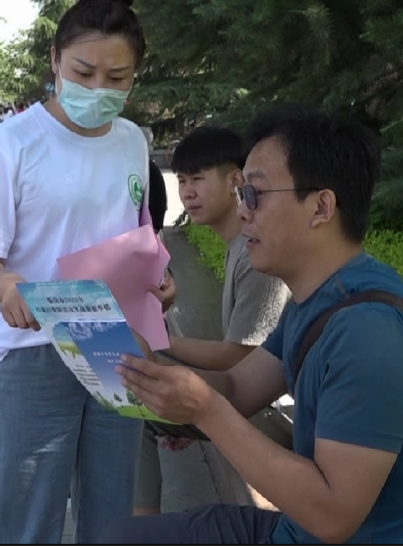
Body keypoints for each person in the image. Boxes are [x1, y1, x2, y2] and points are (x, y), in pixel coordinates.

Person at [104, 105, 403, 544]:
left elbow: (333, 518)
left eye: (254, 194)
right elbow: (239, 386)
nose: (242, 212)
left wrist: (205, 409)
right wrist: (150, 366)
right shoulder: (318, 299)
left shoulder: (370, 335)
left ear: (320, 207)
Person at [0, 0, 177, 544]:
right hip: (34, 348)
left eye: (117, 77)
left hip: (114, 344)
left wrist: (160, 276)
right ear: (55, 60)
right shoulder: (12, 143)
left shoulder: (132, 141)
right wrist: (9, 288)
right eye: (83, 72)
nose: (99, 88)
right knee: (25, 521)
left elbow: (137, 235)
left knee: (112, 517)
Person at [134, 125, 291, 517]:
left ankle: (141, 526)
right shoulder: (239, 247)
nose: (187, 192)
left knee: (136, 409)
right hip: (253, 397)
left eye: (198, 179)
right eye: (181, 180)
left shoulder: (257, 256)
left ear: (235, 181)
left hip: (271, 413)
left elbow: (240, 358)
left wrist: (160, 345)